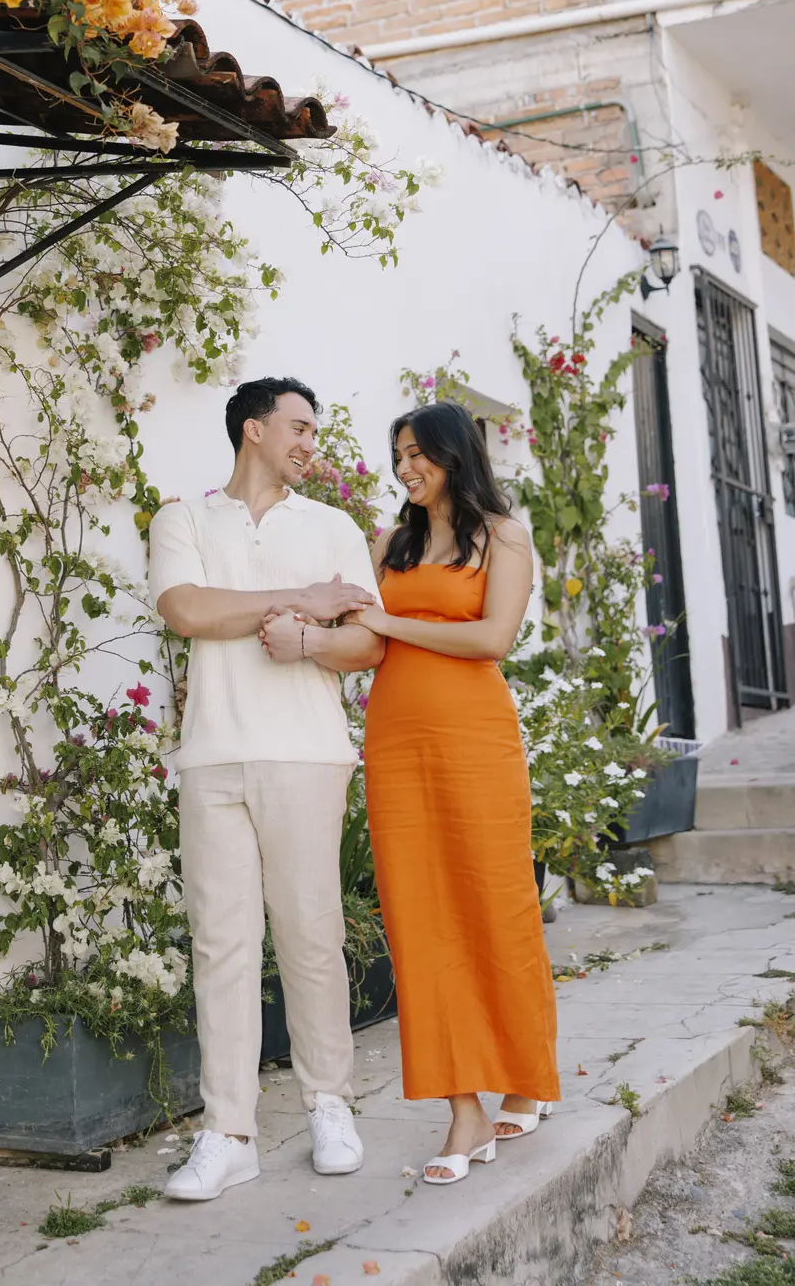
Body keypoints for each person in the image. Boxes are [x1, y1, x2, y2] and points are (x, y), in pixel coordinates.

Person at [264, 400, 558, 1185]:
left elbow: (491, 640)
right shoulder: (386, 543)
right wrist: (309, 638)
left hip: (477, 743)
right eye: (397, 455)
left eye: (417, 453)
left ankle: (527, 1074)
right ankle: (462, 1108)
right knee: (419, 916)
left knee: (497, 905)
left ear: (455, 454)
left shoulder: (505, 537)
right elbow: (362, 642)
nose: (405, 468)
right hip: (397, 742)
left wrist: (394, 624)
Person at [149, 377, 386, 1203]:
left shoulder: (333, 526)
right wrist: (302, 596)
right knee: (221, 945)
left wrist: (311, 637)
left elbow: (369, 645)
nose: (309, 443)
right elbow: (186, 609)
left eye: (312, 430)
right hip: (212, 756)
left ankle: (329, 1105)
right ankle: (229, 1132)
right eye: (298, 427)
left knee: (310, 934)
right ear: (253, 430)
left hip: (306, 755)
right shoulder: (183, 518)